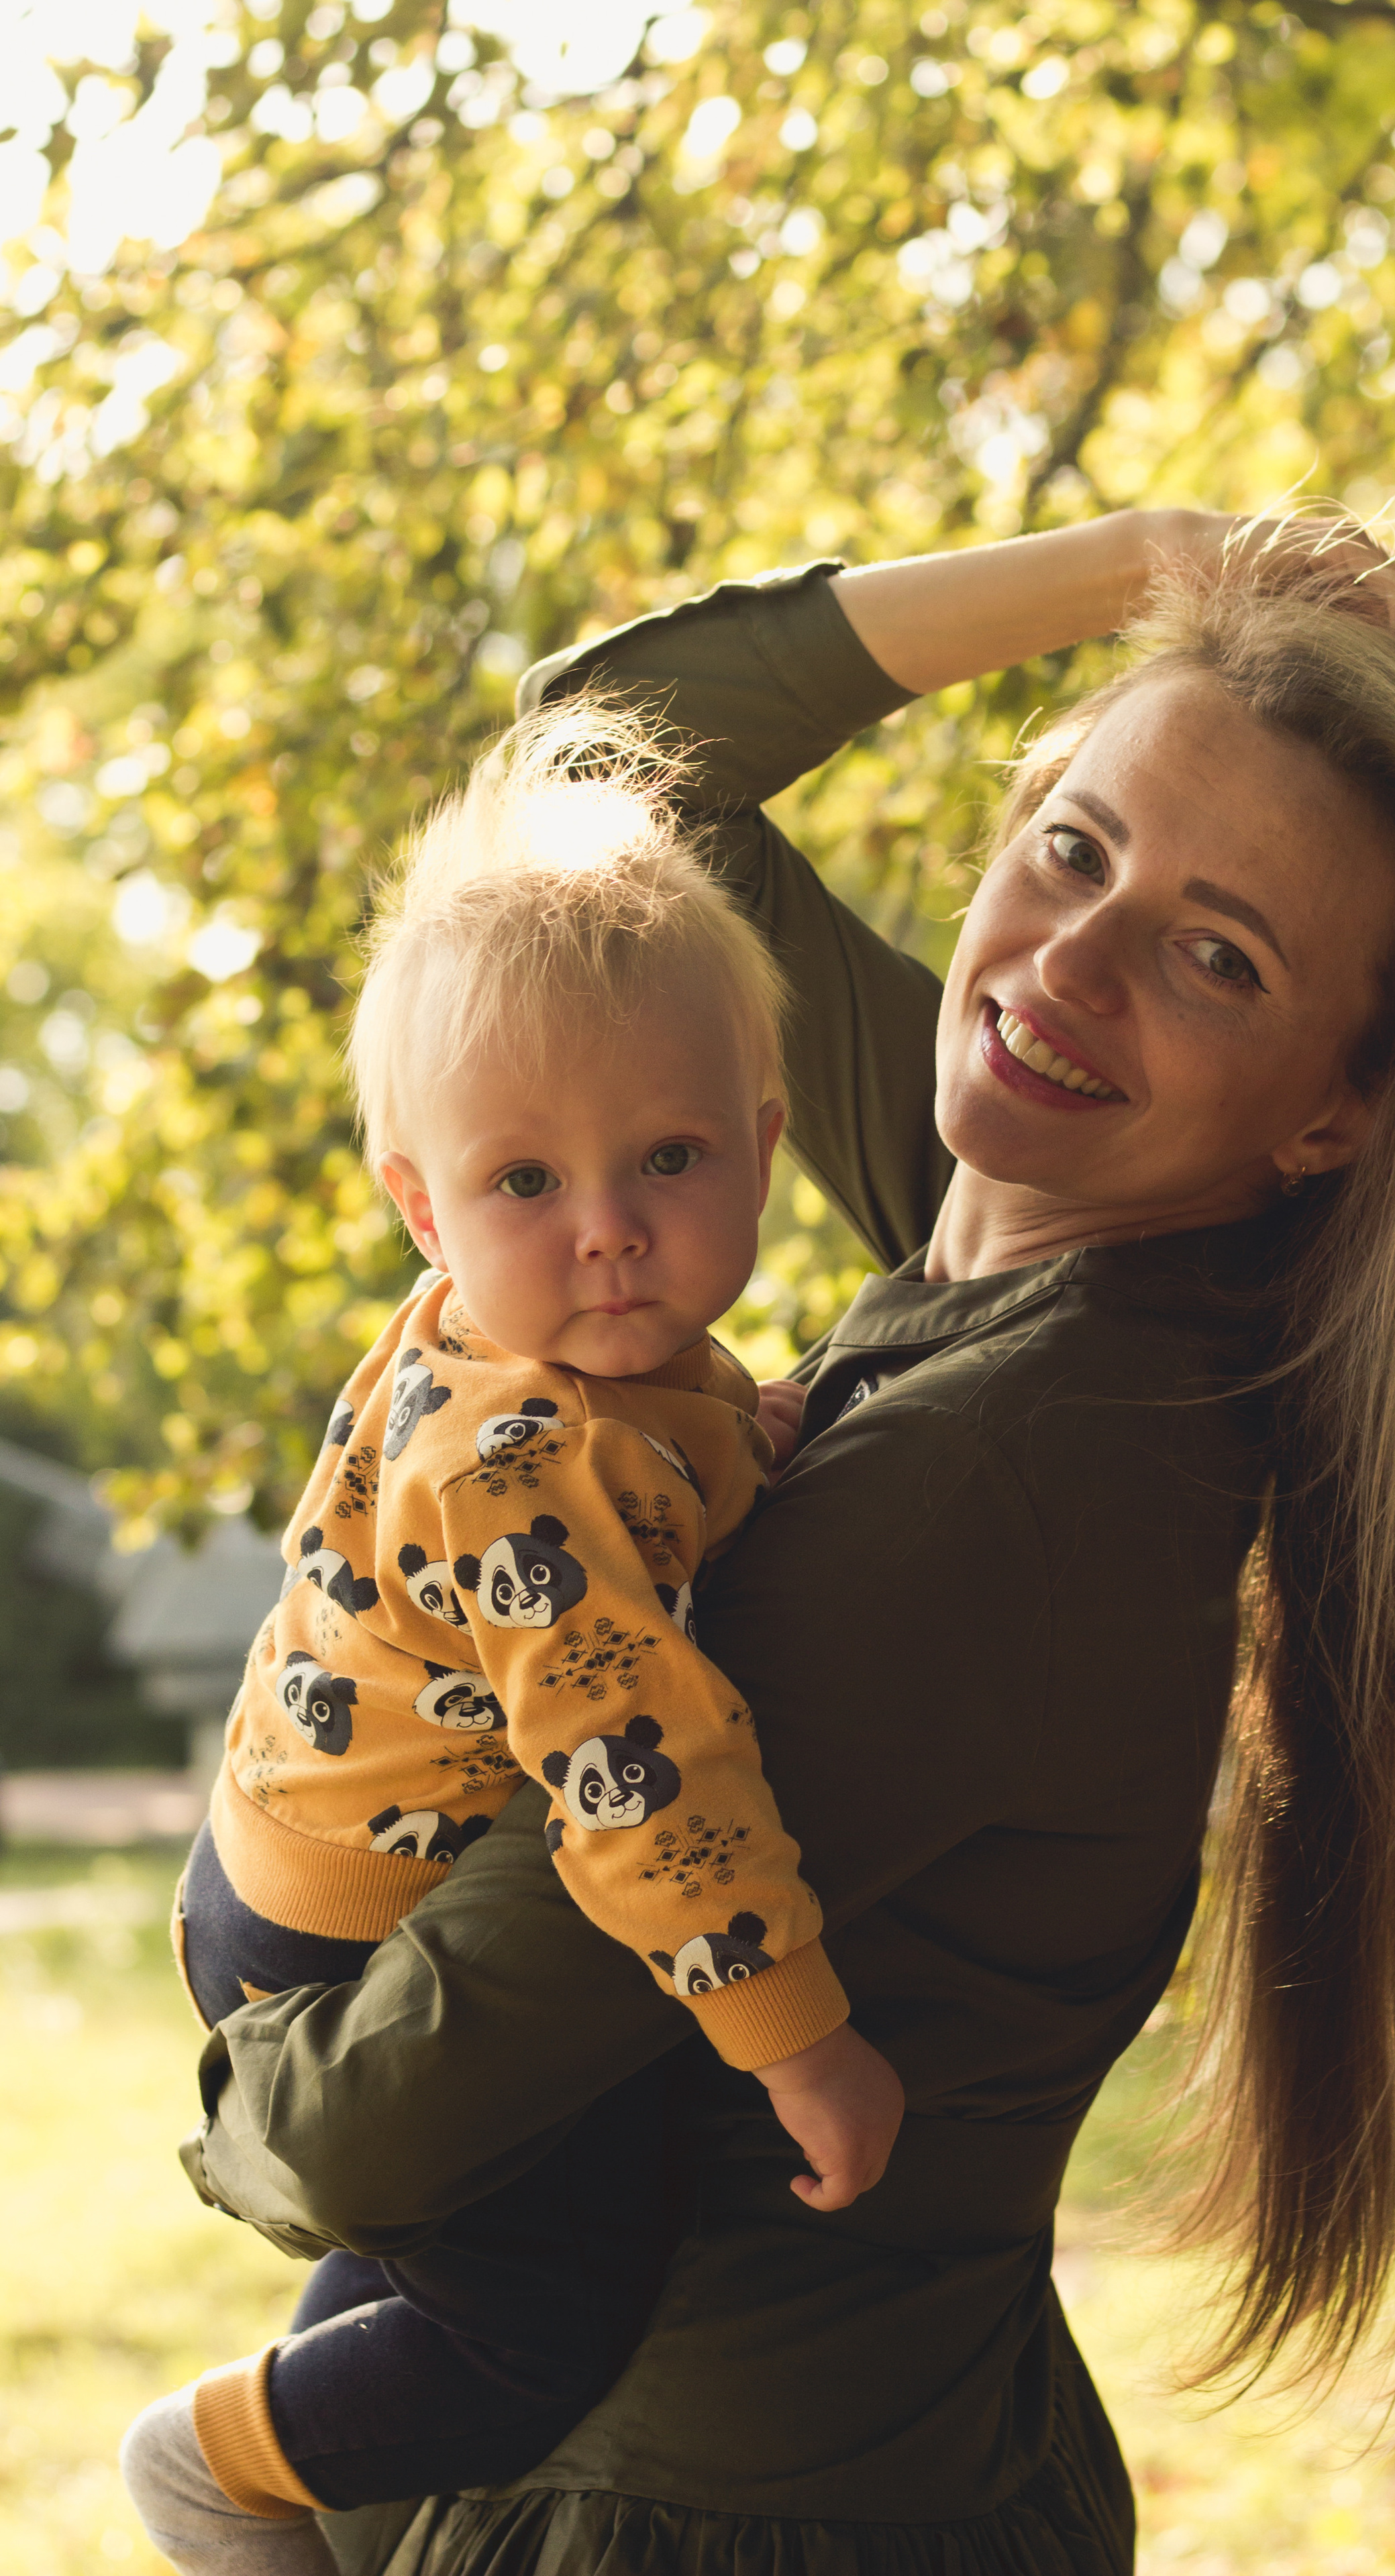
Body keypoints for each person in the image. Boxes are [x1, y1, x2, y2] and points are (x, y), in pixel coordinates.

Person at [172, 508, 1395, 2576]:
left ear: (1334, 1110)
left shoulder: (1002, 1471)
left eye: (1215, 956)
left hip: (704, 2518)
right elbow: (605, 753)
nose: (1067, 967)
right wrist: (1177, 557)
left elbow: (362, 2126)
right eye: (1074, 845)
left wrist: (246, 2033)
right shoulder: (1022, 1216)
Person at [120, 718, 902, 2576]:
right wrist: (798, 2041)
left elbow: (674, 1428)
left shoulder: (560, 1352)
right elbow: (646, 1780)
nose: (613, 1233)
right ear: (425, 1204)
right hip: (339, 1918)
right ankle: (220, 2462)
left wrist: (754, 1436)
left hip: (291, 1848)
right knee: (543, 2314)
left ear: (765, 1148)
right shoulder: (516, 1464)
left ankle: (329, 2415)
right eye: (528, 1187)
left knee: (470, 2237)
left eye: (668, 1159)